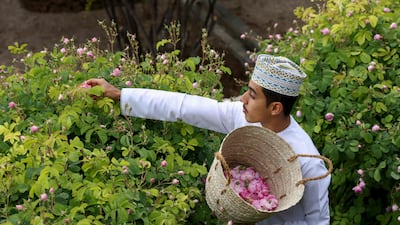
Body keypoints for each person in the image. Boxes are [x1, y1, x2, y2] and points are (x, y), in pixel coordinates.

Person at [86, 54, 331, 225]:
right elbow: (184, 107)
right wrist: (119, 95)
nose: (242, 99)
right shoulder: (244, 117)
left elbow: (318, 220)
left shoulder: (306, 160)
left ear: (275, 108)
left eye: (252, 95)